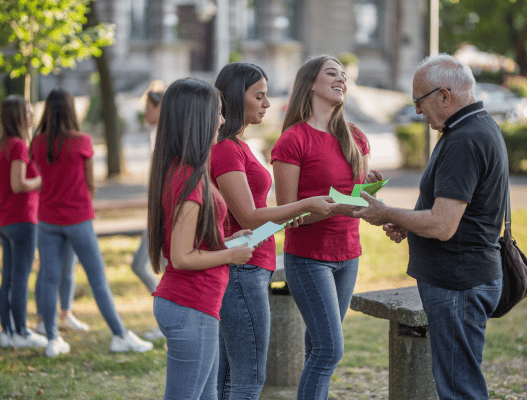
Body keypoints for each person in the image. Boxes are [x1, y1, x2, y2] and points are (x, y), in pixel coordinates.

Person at [354, 54, 508, 400]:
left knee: (459, 389)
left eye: (418, 101)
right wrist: (410, 224)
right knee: (458, 381)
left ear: (443, 95)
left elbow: (442, 225)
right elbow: (458, 215)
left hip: (458, 282)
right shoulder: (476, 126)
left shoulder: (464, 139)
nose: (418, 112)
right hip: (464, 277)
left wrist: (386, 212)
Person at [211, 62, 334, 399]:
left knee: (227, 378)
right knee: (247, 380)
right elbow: (249, 217)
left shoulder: (238, 145)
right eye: (259, 96)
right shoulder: (225, 150)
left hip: (249, 264)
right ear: (237, 99)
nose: (267, 103)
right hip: (243, 269)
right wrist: (306, 204)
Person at [270, 55, 382, 399]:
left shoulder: (356, 138)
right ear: (311, 85)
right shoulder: (292, 141)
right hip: (308, 258)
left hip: (348, 255)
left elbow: (353, 199)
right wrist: (340, 207)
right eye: (331, 74)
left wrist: (367, 188)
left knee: (318, 347)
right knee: (330, 349)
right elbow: (286, 215)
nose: (341, 80)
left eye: (344, 76)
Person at [148, 77, 257, 400]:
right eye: (217, 113)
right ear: (198, 118)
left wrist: (226, 241)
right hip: (190, 304)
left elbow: (192, 242)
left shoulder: (188, 170)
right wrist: (230, 256)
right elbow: (181, 257)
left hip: (197, 304)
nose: (223, 121)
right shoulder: (188, 177)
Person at [31, 88, 153, 357]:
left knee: (50, 279)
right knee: (98, 280)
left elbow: (41, 179)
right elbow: (90, 185)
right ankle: (120, 335)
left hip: (48, 220)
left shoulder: (37, 143)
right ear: (72, 110)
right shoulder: (82, 141)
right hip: (78, 220)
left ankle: (52, 338)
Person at [0, 95, 48, 349]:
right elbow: (18, 183)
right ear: (16, 116)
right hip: (22, 219)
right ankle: (22, 332)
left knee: (8, 279)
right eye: (26, 111)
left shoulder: (1, 145)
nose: (31, 114)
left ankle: (7, 332)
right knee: (21, 279)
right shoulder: (18, 146)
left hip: (4, 220)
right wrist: (40, 180)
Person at [130, 81, 166, 341]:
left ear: (159, 108)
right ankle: (164, 321)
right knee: (141, 265)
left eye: (148, 107)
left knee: (147, 266)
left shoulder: (167, 138)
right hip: (157, 215)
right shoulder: (157, 136)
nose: (145, 113)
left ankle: (164, 322)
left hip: (163, 217)